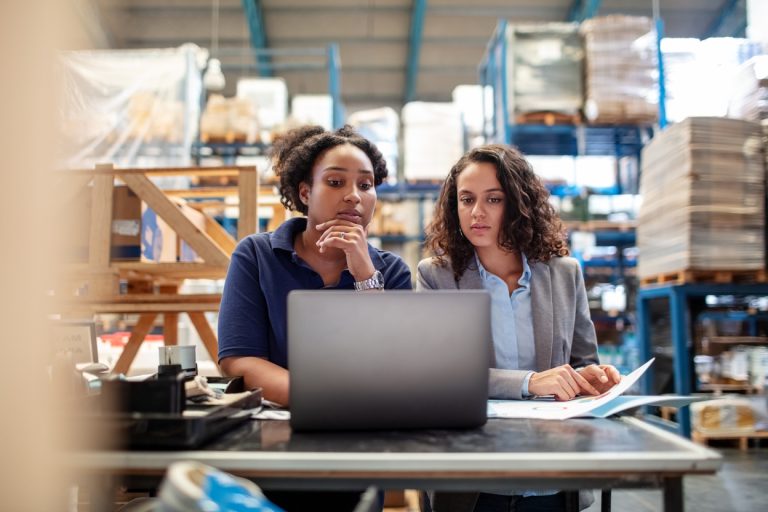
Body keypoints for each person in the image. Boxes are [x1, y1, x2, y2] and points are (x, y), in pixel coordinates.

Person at [417, 144, 621, 512]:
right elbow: (440, 378)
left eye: (493, 199)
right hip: (473, 484)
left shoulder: (564, 273)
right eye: (466, 200)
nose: (477, 212)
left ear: (517, 203)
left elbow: (581, 363)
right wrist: (530, 382)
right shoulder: (437, 276)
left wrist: (593, 379)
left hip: (552, 481)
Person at [217, 125, 412, 512]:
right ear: (305, 192)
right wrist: (320, 400)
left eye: (366, 184)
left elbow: (393, 366)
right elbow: (238, 358)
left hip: (357, 451)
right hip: (271, 449)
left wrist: (364, 274)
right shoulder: (256, 256)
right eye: (336, 181)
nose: (354, 196)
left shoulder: (392, 271)